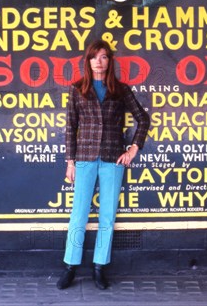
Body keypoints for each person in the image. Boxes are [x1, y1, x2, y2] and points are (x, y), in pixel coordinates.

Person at [56, 40, 150, 290]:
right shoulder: (77, 89)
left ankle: (99, 267)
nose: (99, 61)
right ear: (87, 61)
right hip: (84, 160)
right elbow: (70, 128)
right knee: (79, 215)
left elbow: (143, 119)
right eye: (94, 57)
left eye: (104, 57)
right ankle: (70, 267)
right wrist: (70, 162)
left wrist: (133, 148)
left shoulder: (120, 90)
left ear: (110, 61)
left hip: (112, 159)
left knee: (107, 215)